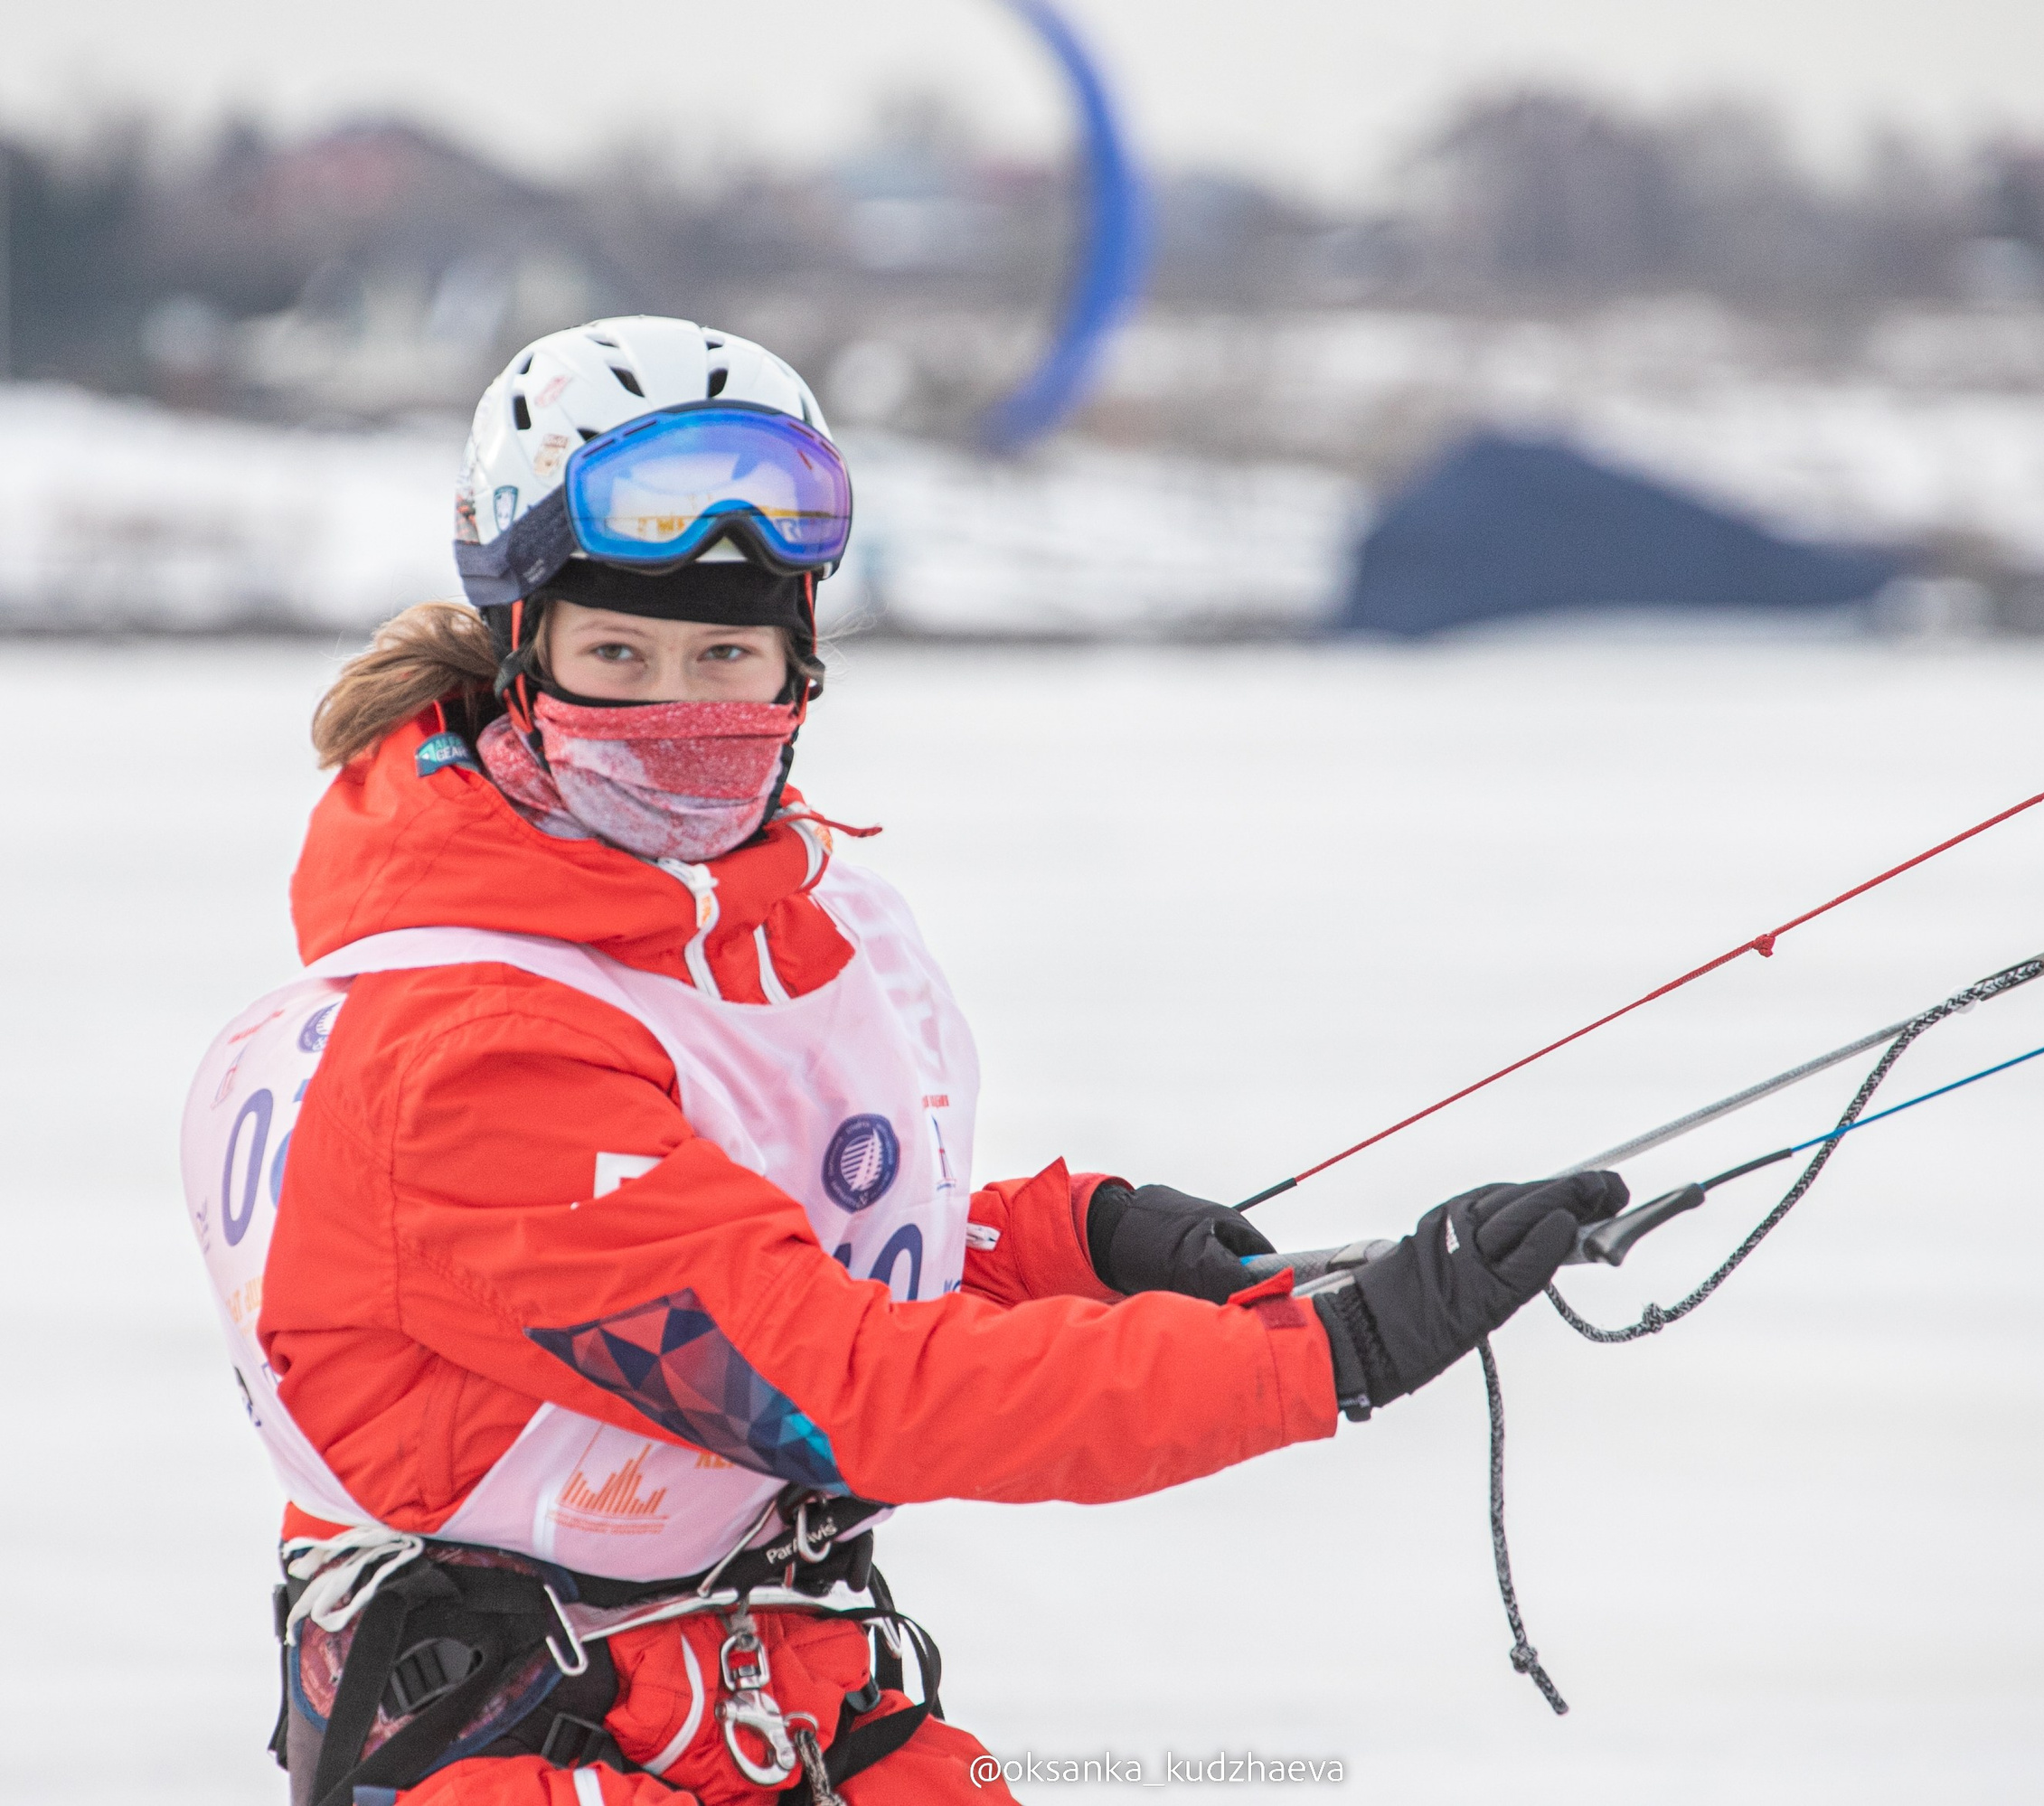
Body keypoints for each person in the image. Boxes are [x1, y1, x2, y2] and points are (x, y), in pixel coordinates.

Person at [182, 315, 1627, 1806]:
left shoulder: (775, 929)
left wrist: (1073, 1236)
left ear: (800, 664)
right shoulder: (459, 1055)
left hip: (776, 1702)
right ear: (521, 660)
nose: (685, 711)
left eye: (726, 653)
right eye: (620, 654)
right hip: (529, 1749)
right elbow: (843, 1379)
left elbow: (792, 1256)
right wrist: (1333, 1357)